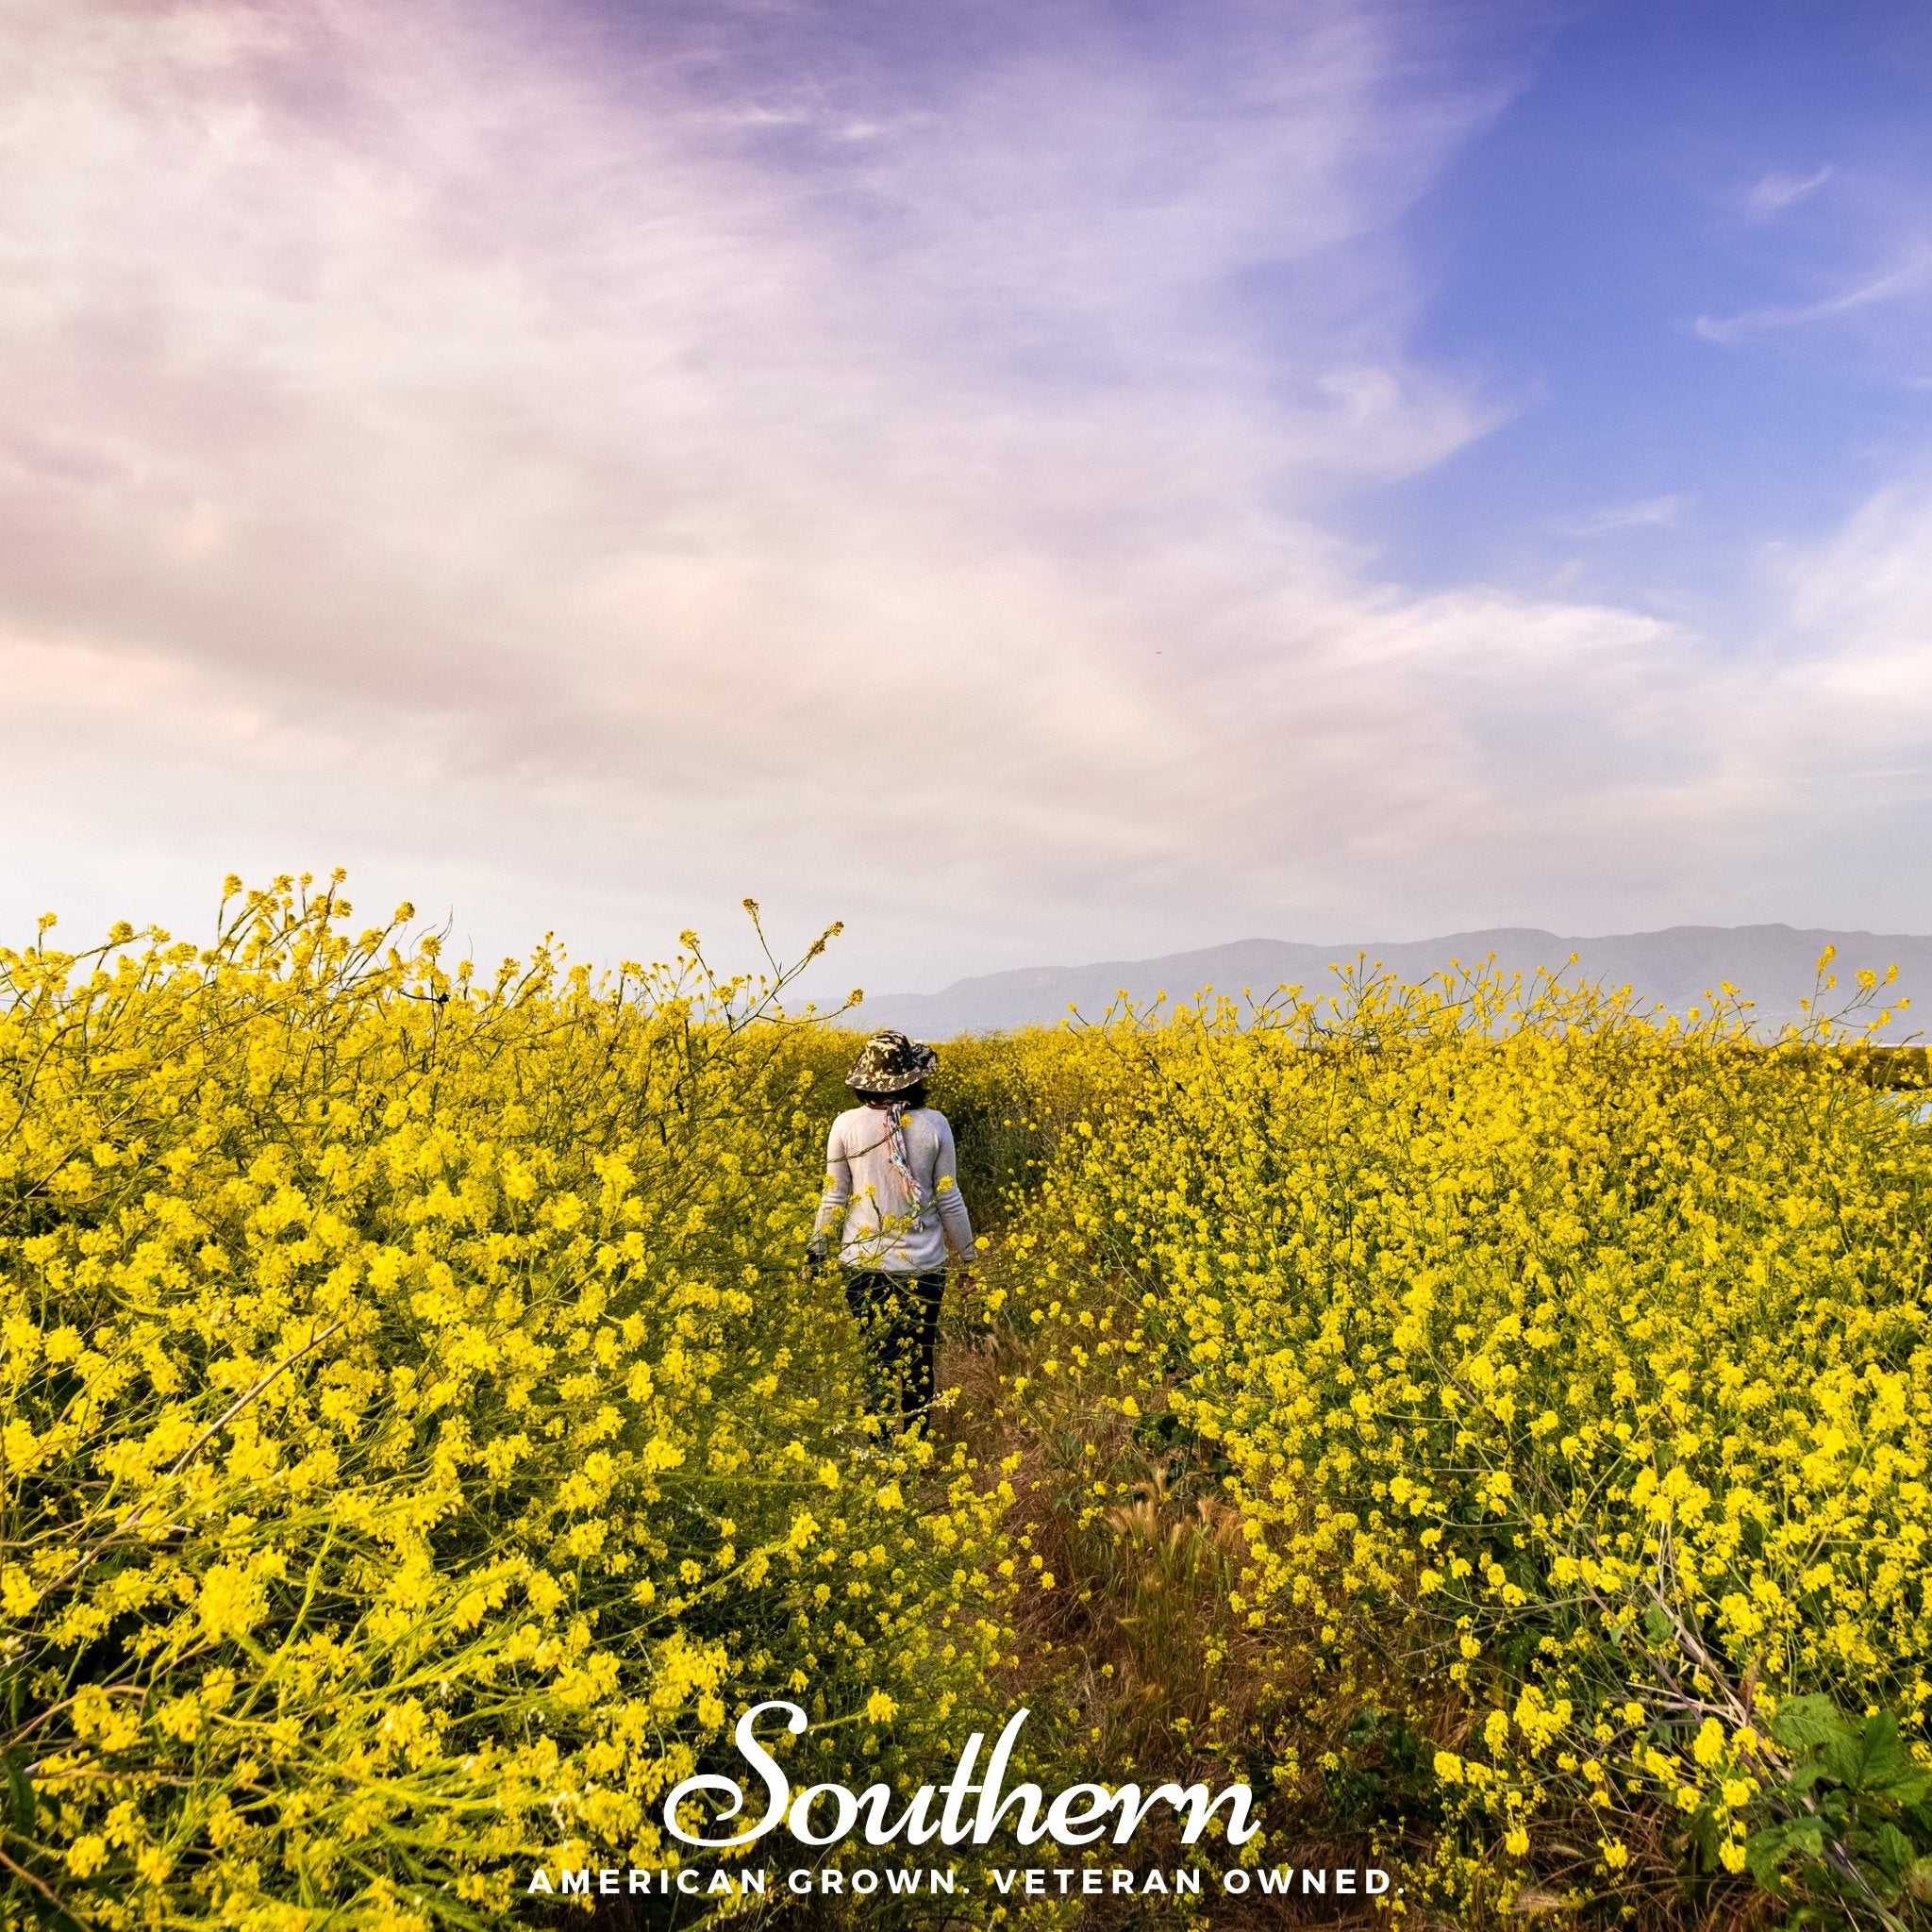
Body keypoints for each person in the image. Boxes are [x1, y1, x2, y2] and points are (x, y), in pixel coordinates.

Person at [806, 1029, 975, 1431]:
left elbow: (834, 1198)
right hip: (924, 1267)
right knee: (920, 1357)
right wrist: (968, 1258)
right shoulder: (934, 1124)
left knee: (876, 1356)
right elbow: (949, 1198)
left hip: (864, 1267)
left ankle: (882, 1452)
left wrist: (815, 1253)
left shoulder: (846, 1125)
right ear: (915, 1079)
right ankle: (915, 1444)